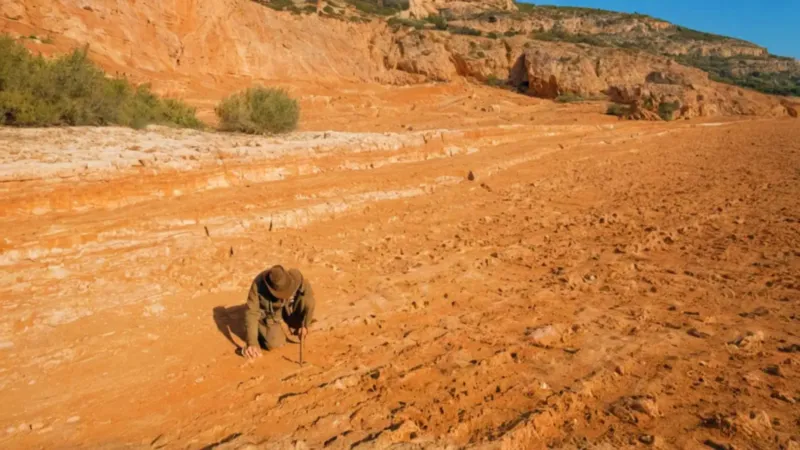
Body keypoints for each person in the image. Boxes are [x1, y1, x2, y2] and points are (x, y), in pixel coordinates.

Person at [243, 265, 316, 359]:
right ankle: (263, 331)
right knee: (274, 345)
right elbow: (251, 312)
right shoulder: (258, 285)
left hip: (288, 308)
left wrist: (305, 325)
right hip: (272, 315)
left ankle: (295, 324)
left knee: (308, 301)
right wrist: (252, 342)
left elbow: (308, 296)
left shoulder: (295, 277)